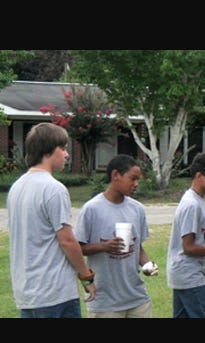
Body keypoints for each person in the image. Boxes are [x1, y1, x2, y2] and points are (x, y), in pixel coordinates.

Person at [7, 122, 96, 318]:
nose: (66, 154)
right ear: (47, 151)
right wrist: (86, 276)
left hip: (27, 294)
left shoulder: (16, 187)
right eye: (63, 148)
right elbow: (67, 240)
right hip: (55, 293)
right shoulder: (53, 189)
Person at [75, 154, 158, 318]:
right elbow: (78, 248)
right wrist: (104, 246)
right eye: (132, 179)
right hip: (105, 300)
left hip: (137, 297)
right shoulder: (92, 209)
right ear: (115, 175)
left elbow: (137, 247)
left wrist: (147, 265)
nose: (136, 184)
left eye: (138, 180)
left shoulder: (137, 209)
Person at [166, 152, 205, 318]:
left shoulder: (197, 200)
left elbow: (195, 234)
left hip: (184, 274)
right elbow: (189, 247)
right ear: (199, 176)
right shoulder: (191, 204)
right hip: (189, 274)